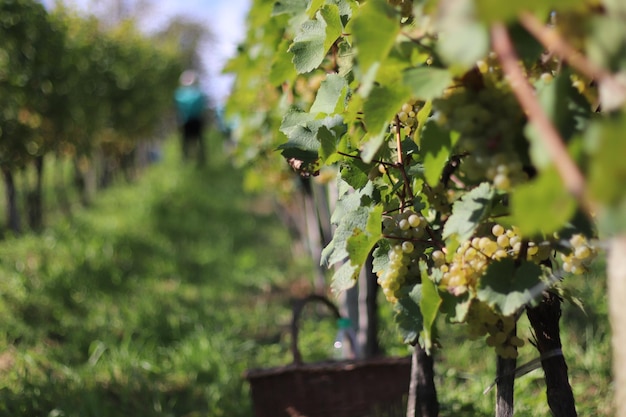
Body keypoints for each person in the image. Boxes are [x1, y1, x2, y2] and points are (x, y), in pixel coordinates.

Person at [174, 70, 207, 165]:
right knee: (200, 141)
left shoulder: (179, 94)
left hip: (185, 121)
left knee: (185, 143)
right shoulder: (198, 93)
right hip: (197, 120)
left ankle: (185, 160)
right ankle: (201, 160)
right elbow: (202, 106)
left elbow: (178, 108)